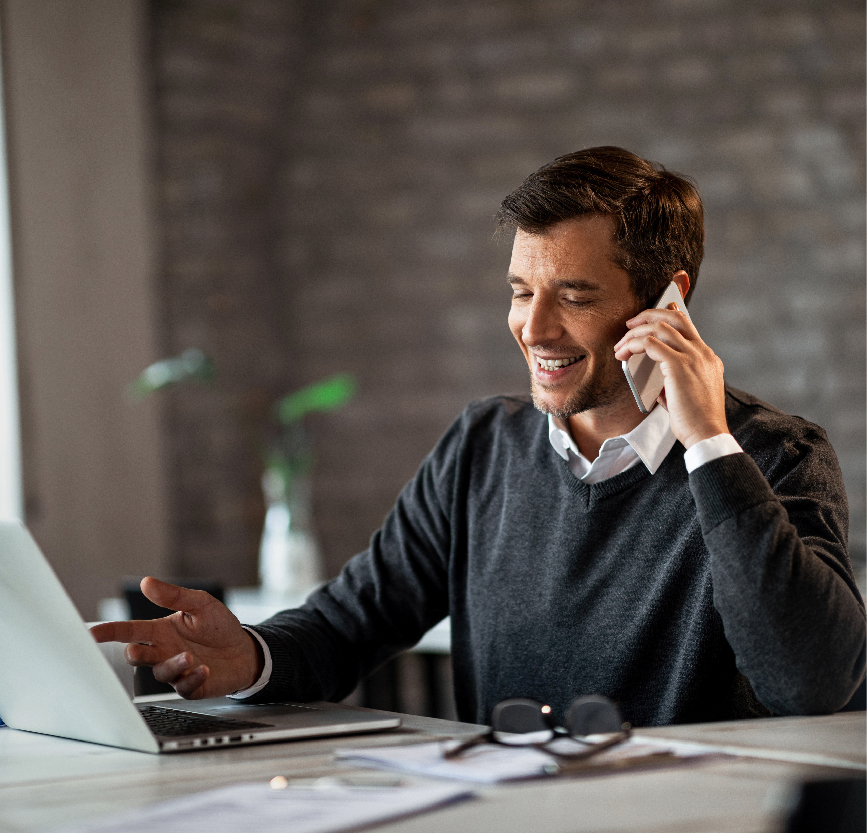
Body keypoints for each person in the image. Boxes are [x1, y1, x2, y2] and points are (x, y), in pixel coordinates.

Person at [92, 147, 866, 727]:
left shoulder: (772, 456)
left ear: (668, 299)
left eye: (573, 295)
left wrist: (706, 442)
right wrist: (251, 656)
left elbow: (810, 683)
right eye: (521, 290)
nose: (532, 327)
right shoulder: (481, 447)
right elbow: (346, 624)